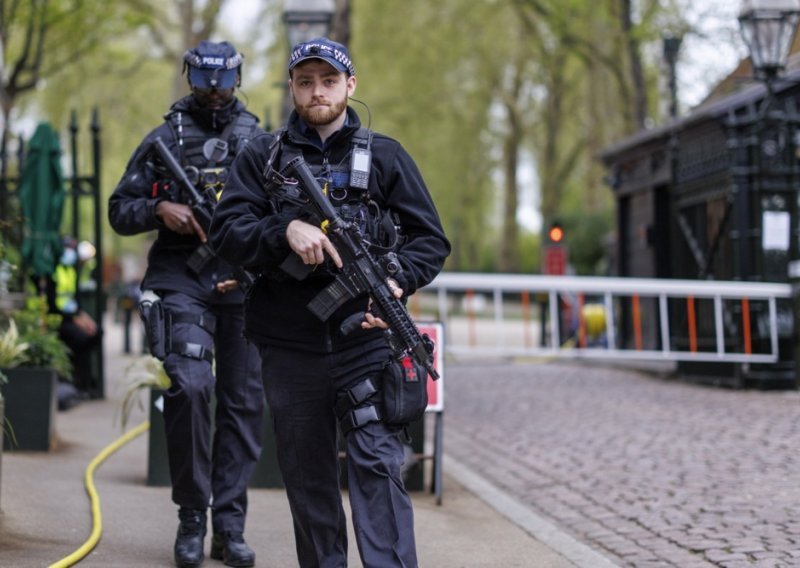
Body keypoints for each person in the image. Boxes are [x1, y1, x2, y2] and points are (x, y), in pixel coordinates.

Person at [209, 37, 451, 567]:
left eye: (329, 80)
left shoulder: (386, 156)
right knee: (309, 479)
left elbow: (430, 241)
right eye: (305, 81)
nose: (317, 91)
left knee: (378, 465)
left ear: (350, 85)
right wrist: (284, 230)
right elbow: (225, 232)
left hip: (366, 338)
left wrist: (394, 280)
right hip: (289, 346)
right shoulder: (261, 156)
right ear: (292, 88)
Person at [108, 40, 265, 568]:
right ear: (189, 78)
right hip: (182, 277)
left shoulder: (263, 142)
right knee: (193, 385)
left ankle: (230, 526)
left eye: (224, 82)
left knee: (243, 405)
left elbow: (288, 210)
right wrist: (160, 208)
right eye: (203, 81)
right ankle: (192, 517)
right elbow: (119, 210)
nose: (215, 93)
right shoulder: (162, 141)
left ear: (238, 79)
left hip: (243, 281)